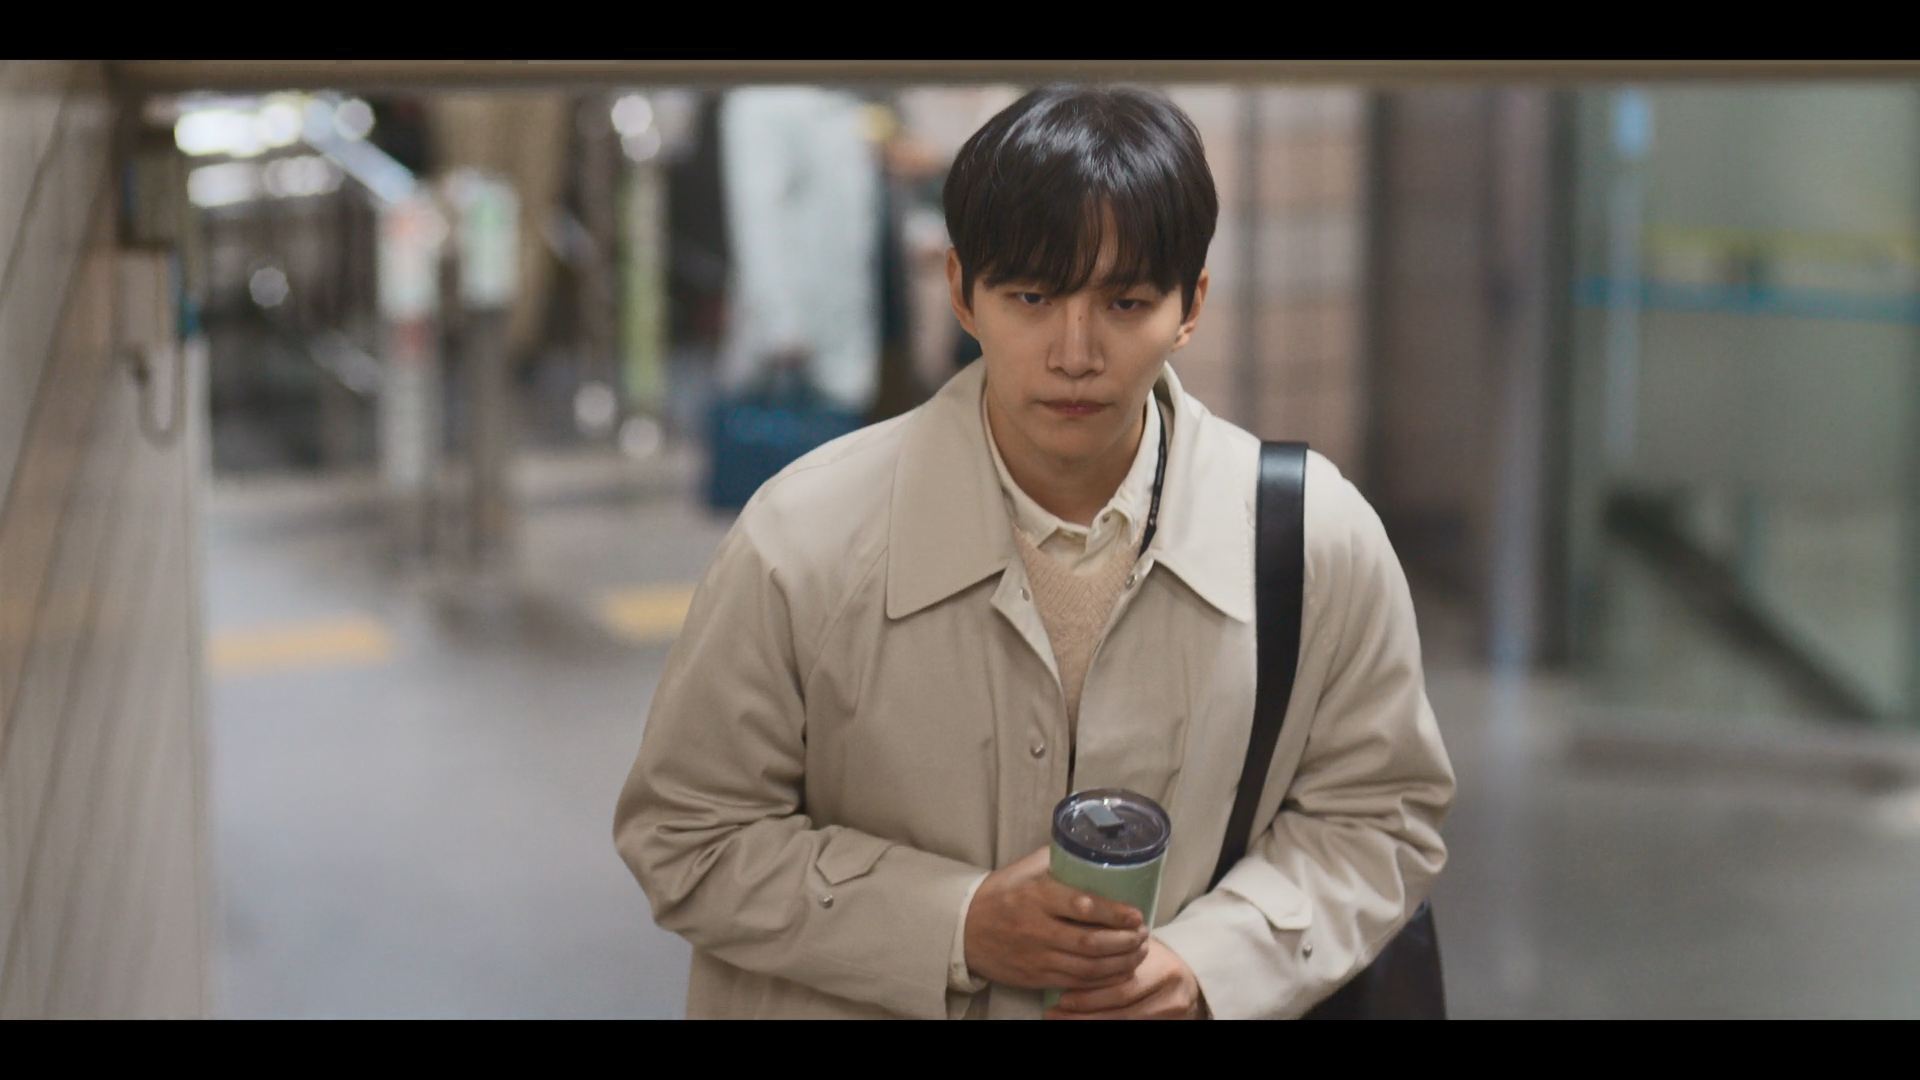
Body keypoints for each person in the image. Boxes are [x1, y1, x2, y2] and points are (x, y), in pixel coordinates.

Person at [612, 84, 1456, 1020]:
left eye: (1126, 301)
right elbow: (687, 835)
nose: (1074, 352)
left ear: (1191, 305)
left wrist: (1210, 965)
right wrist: (956, 923)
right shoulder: (803, 539)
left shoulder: (1313, 540)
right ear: (960, 292)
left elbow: (1381, 817)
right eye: (1032, 297)